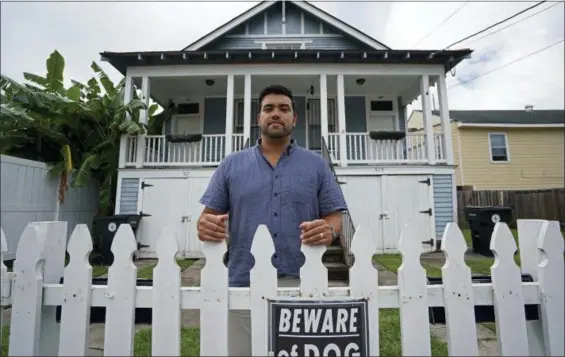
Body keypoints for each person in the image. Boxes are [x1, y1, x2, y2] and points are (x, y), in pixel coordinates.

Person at [197, 84, 348, 355]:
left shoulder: (316, 164)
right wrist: (205, 226)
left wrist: (329, 230)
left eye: (283, 108)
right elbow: (206, 218)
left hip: (303, 281)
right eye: (268, 108)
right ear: (259, 118)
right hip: (242, 281)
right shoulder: (231, 165)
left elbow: (334, 216)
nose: (275, 113)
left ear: (294, 118)